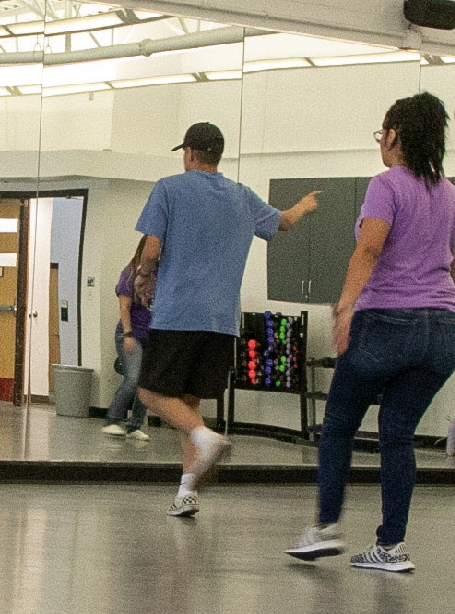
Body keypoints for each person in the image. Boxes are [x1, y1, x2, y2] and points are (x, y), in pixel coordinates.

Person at [289, 93, 455, 572]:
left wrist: (345, 308)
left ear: (394, 136)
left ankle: (325, 528)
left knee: (340, 425)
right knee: (397, 433)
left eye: (381, 134)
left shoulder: (386, 185)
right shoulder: (453, 195)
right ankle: (389, 548)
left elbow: (368, 250)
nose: (380, 144)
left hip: (388, 323)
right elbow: (451, 262)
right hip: (445, 332)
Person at [133, 121, 318, 517]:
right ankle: (187, 491)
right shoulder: (242, 196)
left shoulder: (169, 188)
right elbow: (282, 222)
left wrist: (144, 279)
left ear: (189, 153)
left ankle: (205, 438)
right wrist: (302, 206)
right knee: (189, 402)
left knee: (150, 391)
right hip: (221, 322)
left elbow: (151, 250)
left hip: (178, 314)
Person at [100, 258, 153, 441]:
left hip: (151, 335)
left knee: (145, 383)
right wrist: (128, 335)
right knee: (133, 378)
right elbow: (124, 306)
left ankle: (133, 426)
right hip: (130, 331)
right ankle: (112, 421)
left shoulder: (160, 275)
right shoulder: (131, 273)